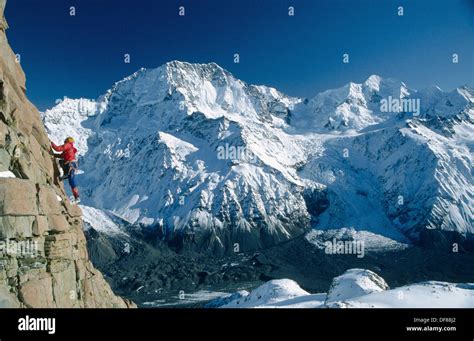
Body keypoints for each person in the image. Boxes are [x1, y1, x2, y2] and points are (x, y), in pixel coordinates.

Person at [51, 137, 80, 204]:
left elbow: (57, 149)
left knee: (71, 179)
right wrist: (54, 155)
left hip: (70, 164)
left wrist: (51, 143)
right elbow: (61, 155)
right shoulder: (70, 149)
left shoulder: (68, 145)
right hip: (72, 164)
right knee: (71, 180)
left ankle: (77, 197)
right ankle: (76, 197)